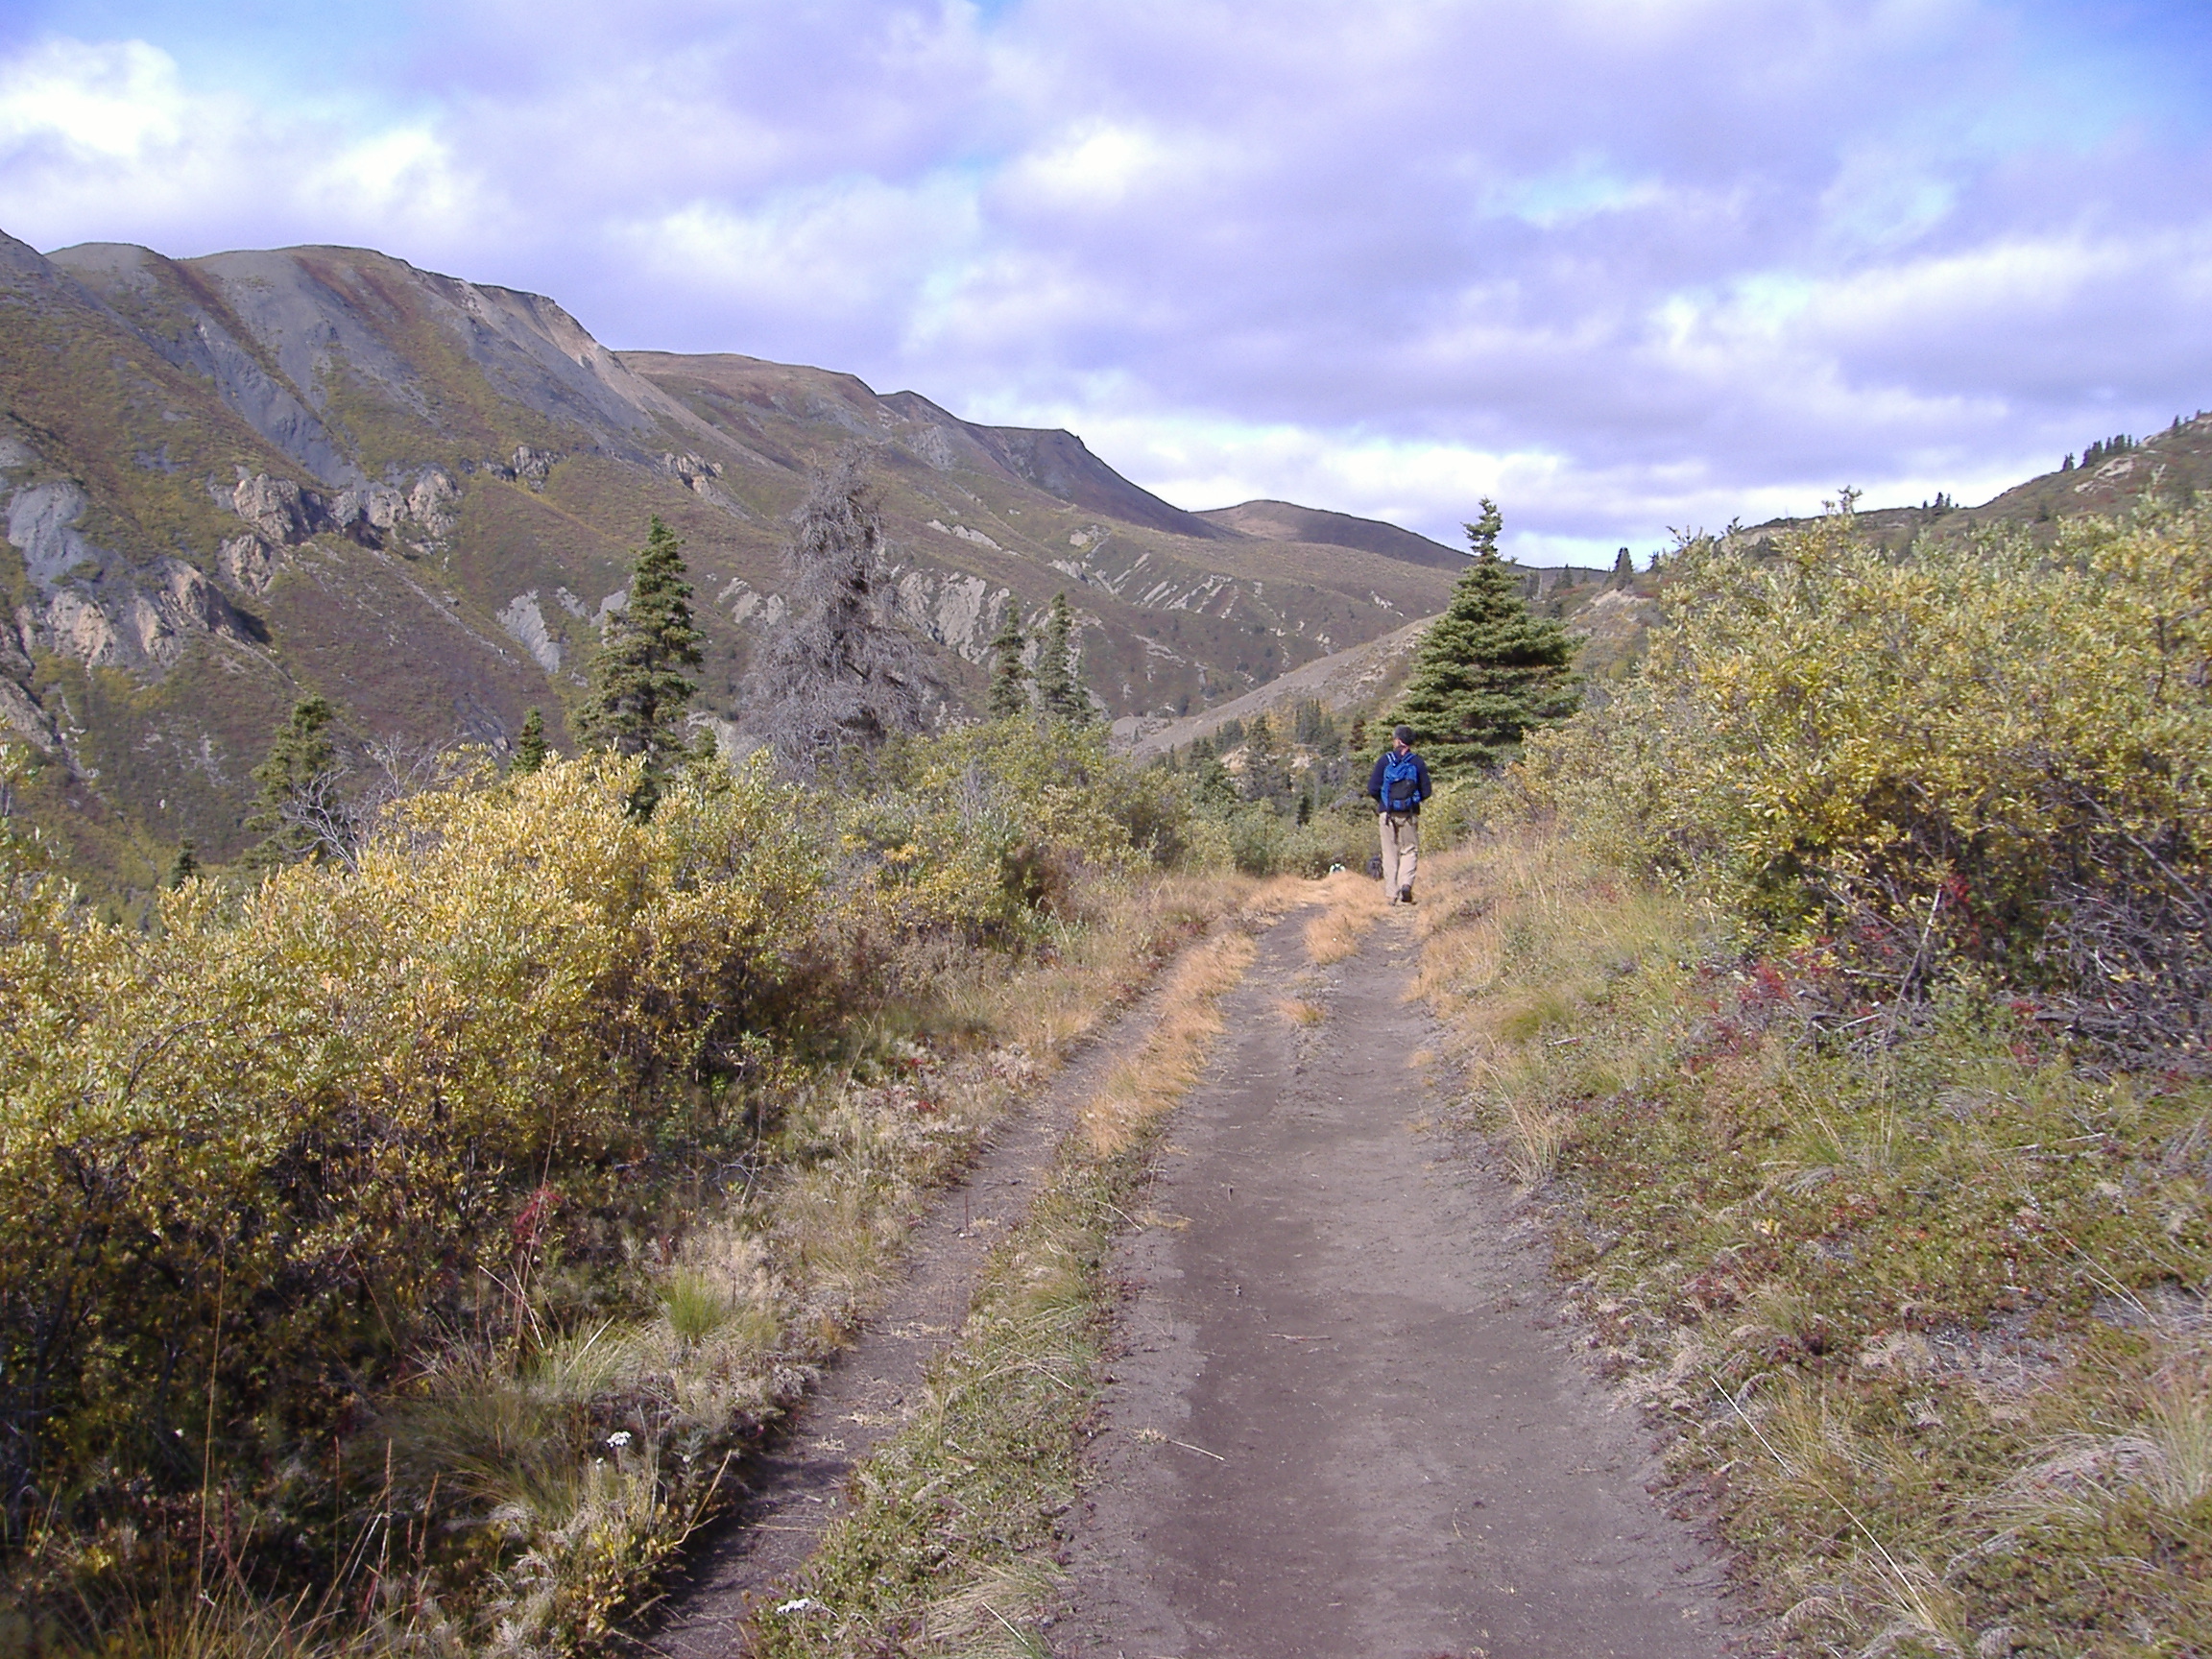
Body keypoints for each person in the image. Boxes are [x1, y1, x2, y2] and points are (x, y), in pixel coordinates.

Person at [1366, 724, 1431, 903]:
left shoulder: (1384, 760)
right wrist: (1412, 801)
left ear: (1397, 740)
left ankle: (1391, 893)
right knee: (1409, 850)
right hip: (1409, 814)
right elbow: (1427, 791)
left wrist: (1384, 802)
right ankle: (1406, 884)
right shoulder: (1417, 762)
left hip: (1387, 813)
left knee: (1389, 852)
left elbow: (1372, 788)